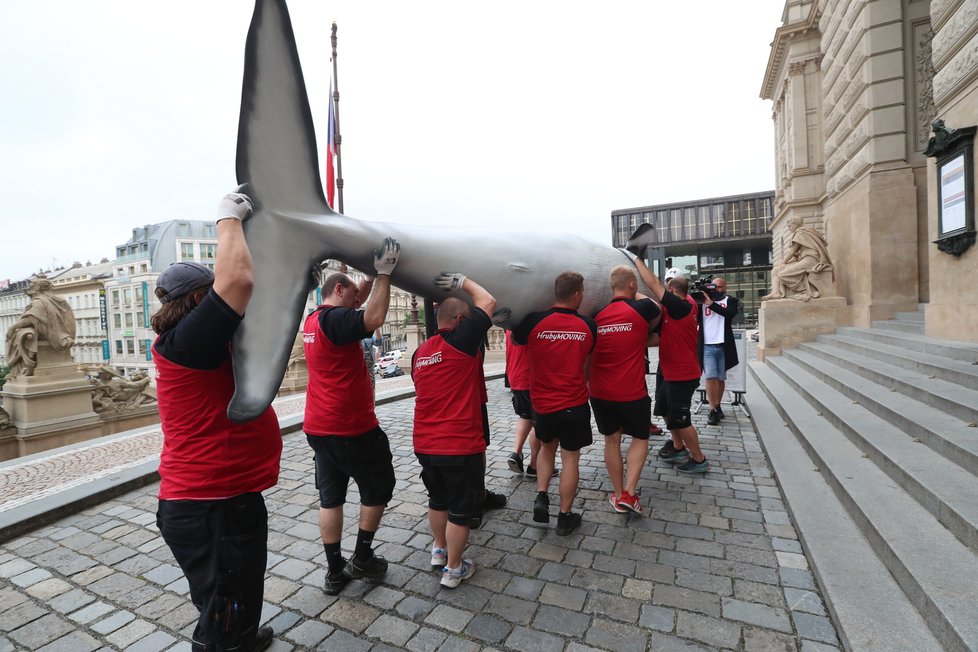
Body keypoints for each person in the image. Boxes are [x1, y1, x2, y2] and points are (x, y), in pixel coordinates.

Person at [153, 191, 279, 652]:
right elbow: (240, 280)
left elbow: (259, 300)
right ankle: (230, 640)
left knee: (230, 597)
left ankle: (242, 635)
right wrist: (228, 218)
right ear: (202, 299)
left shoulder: (192, 341)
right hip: (212, 507)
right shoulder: (189, 341)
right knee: (221, 617)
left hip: (216, 502)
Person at [302, 238, 401, 596]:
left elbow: (358, 297)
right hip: (352, 428)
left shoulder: (313, 321)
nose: (358, 301)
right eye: (353, 296)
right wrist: (385, 274)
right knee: (378, 488)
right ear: (338, 290)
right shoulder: (336, 319)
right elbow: (372, 317)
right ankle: (361, 557)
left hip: (319, 428)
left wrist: (368, 279)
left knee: (331, 498)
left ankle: (333, 572)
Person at [412, 273, 496, 588]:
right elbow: (488, 302)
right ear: (460, 319)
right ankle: (454, 568)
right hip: (459, 444)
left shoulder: (420, 353)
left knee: (437, 499)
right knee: (460, 509)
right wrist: (463, 280)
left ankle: (439, 550)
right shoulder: (462, 341)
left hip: (425, 442)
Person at [512, 272, 596, 535]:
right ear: (577, 295)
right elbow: (587, 368)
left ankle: (541, 496)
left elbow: (516, 339)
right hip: (574, 402)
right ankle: (564, 515)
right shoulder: (588, 326)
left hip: (543, 404)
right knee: (571, 459)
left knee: (547, 449)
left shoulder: (534, 321)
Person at [589, 266, 661, 513]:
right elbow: (655, 305)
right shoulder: (642, 309)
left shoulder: (597, 317)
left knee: (611, 440)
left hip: (600, 392)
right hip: (631, 392)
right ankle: (629, 494)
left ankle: (617, 493)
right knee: (640, 438)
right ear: (632, 285)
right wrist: (635, 290)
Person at [633, 259, 710, 474]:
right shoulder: (679, 308)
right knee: (664, 409)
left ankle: (699, 458)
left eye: (666, 290)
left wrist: (637, 260)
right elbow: (662, 337)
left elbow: (653, 283)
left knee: (681, 419)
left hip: (682, 373)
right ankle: (677, 447)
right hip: (669, 369)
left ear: (673, 290)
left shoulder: (681, 305)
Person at [4, 276, 75, 378]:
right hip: (63, 334)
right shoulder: (60, 300)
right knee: (25, 333)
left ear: (37, 288)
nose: (30, 288)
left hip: (50, 334)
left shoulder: (39, 302)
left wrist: (13, 327)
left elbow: (31, 319)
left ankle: (25, 366)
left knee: (18, 335)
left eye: (32, 286)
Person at [698, 277, 739, 425]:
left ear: (725, 287)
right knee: (711, 377)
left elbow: (729, 314)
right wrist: (702, 298)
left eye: (721, 287)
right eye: (716, 287)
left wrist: (712, 305)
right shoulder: (701, 301)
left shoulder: (731, 300)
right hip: (707, 345)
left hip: (723, 345)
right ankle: (712, 410)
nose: (719, 289)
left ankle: (718, 404)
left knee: (720, 379)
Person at [762, 217, 834, 301]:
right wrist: (798, 255)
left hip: (810, 260)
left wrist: (783, 262)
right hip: (805, 258)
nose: (788, 228)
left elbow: (792, 252)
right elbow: (804, 250)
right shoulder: (806, 232)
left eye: (789, 226)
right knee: (776, 270)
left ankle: (806, 291)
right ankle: (776, 293)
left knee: (782, 275)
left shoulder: (800, 233)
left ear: (795, 224)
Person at [505, 330, 541, 478]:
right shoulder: (533, 324)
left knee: (525, 416)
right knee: (538, 423)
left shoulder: (510, 326)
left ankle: (516, 452)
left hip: (516, 377)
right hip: (531, 378)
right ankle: (535, 466)